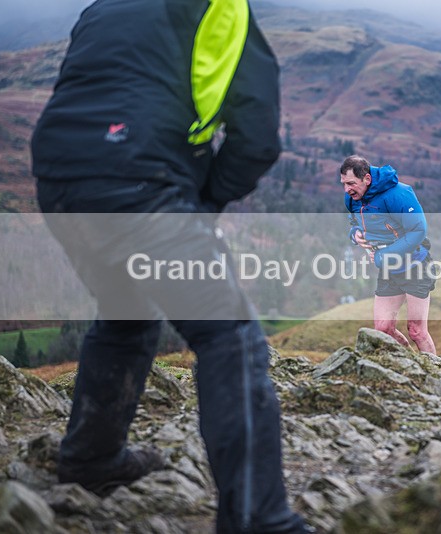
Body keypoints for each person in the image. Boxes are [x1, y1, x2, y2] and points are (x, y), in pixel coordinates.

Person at [31, 0, 307, 532]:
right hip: (138, 183)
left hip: (59, 179)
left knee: (126, 312)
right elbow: (258, 134)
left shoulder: (103, 6)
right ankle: (260, 520)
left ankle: (91, 460)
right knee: (229, 335)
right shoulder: (221, 7)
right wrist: (205, 202)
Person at [340, 155, 437, 354]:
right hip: (389, 270)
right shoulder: (353, 198)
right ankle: (411, 365)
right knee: (383, 330)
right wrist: (355, 234)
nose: (347, 189)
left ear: (367, 179)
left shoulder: (398, 194)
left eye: (351, 183)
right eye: (343, 183)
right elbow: (355, 222)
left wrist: (383, 256)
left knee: (417, 331)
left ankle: (436, 378)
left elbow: (418, 231)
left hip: (415, 266)